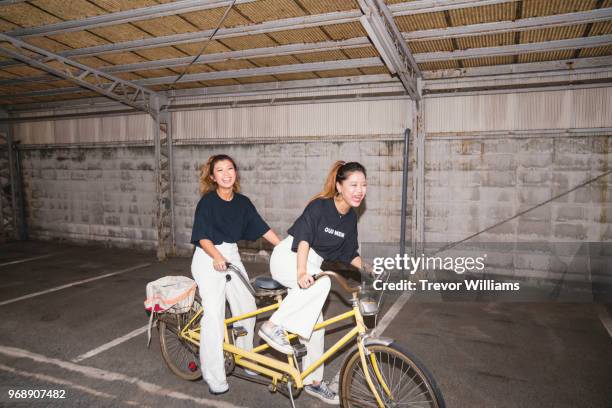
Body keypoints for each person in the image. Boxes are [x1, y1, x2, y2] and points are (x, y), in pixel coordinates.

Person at [258, 161, 367, 405]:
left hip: (312, 263)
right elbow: (304, 240)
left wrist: (372, 270)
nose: (360, 190)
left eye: (364, 185)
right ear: (339, 186)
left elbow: (350, 253)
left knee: (316, 325)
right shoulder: (320, 207)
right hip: (290, 255)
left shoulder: (350, 219)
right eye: (354, 184)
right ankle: (271, 325)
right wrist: (300, 271)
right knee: (323, 284)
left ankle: (313, 382)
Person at [190, 154, 280, 395]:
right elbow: (202, 237)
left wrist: (283, 248)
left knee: (247, 306)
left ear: (235, 173)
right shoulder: (207, 203)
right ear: (212, 177)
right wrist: (217, 258)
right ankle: (214, 375)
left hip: (230, 252)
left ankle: (246, 358)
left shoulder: (243, 202)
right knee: (214, 316)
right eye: (220, 170)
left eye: (230, 169)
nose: (226, 174)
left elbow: (262, 228)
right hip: (207, 255)